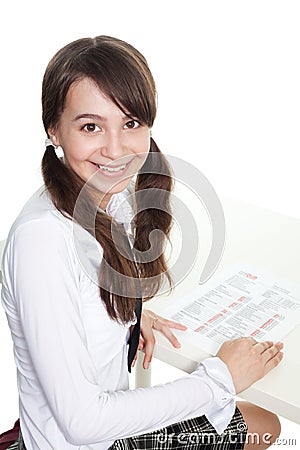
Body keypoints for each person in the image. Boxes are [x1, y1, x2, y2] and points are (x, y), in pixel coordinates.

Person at [1, 35, 283, 450]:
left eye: (130, 123)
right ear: (54, 130)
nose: (115, 149)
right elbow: (83, 421)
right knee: (260, 426)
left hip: (102, 432)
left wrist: (125, 317)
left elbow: (79, 291)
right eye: (91, 126)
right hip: (87, 440)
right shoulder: (41, 239)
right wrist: (220, 376)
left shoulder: (104, 198)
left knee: (264, 423)